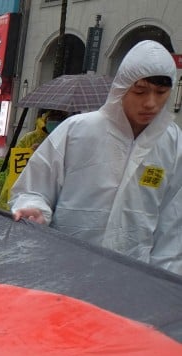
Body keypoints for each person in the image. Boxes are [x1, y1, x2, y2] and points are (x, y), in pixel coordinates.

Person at [11, 41, 182, 274]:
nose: (151, 103)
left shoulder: (172, 143)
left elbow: (173, 223)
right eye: (140, 91)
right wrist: (34, 208)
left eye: (161, 93)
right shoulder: (78, 131)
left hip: (133, 275)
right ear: (122, 87)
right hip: (64, 267)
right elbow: (34, 188)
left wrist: (166, 280)